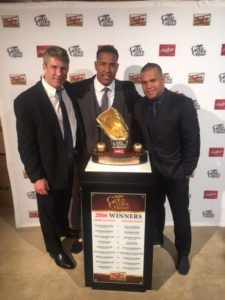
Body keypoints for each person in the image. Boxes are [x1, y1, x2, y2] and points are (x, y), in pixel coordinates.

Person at [14, 46, 84, 269]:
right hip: (46, 169)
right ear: (44, 67)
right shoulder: (26, 101)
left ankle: (64, 230)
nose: (58, 73)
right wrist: (36, 177)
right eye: (53, 67)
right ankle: (54, 249)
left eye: (63, 68)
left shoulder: (69, 90)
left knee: (64, 203)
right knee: (47, 212)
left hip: (70, 162)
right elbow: (26, 145)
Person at [69, 45, 142, 253]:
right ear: (95, 65)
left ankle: (112, 236)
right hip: (85, 160)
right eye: (103, 64)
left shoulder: (128, 89)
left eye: (112, 65)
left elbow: (140, 118)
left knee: (114, 200)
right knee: (84, 199)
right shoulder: (78, 89)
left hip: (119, 161)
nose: (107, 69)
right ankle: (83, 235)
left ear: (117, 67)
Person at [134, 63, 200, 275]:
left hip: (176, 172)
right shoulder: (139, 105)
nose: (148, 86)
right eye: (144, 82)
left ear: (162, 79)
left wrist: (187, 169)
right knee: (155, 208)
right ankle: (156, 235)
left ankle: (183, 253)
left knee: (180, 215)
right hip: (151, 171)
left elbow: (192, 140)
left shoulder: (182, 104)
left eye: (152, 81)